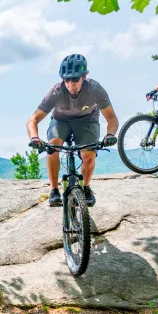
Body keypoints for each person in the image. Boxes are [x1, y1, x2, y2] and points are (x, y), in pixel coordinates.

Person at [26, 54, 119, 207]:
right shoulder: (56, 92)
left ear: (84, 76)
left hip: (87, 121)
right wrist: (34, 138)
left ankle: (86, 187)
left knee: (88, 154)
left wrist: (110, 135)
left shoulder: (95, 89)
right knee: (53, 146)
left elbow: (112, 118)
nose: (70, 84)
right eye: (66, 80)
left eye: (75, 79)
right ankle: (54, 190)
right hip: (60, 121)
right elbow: (33, 119)